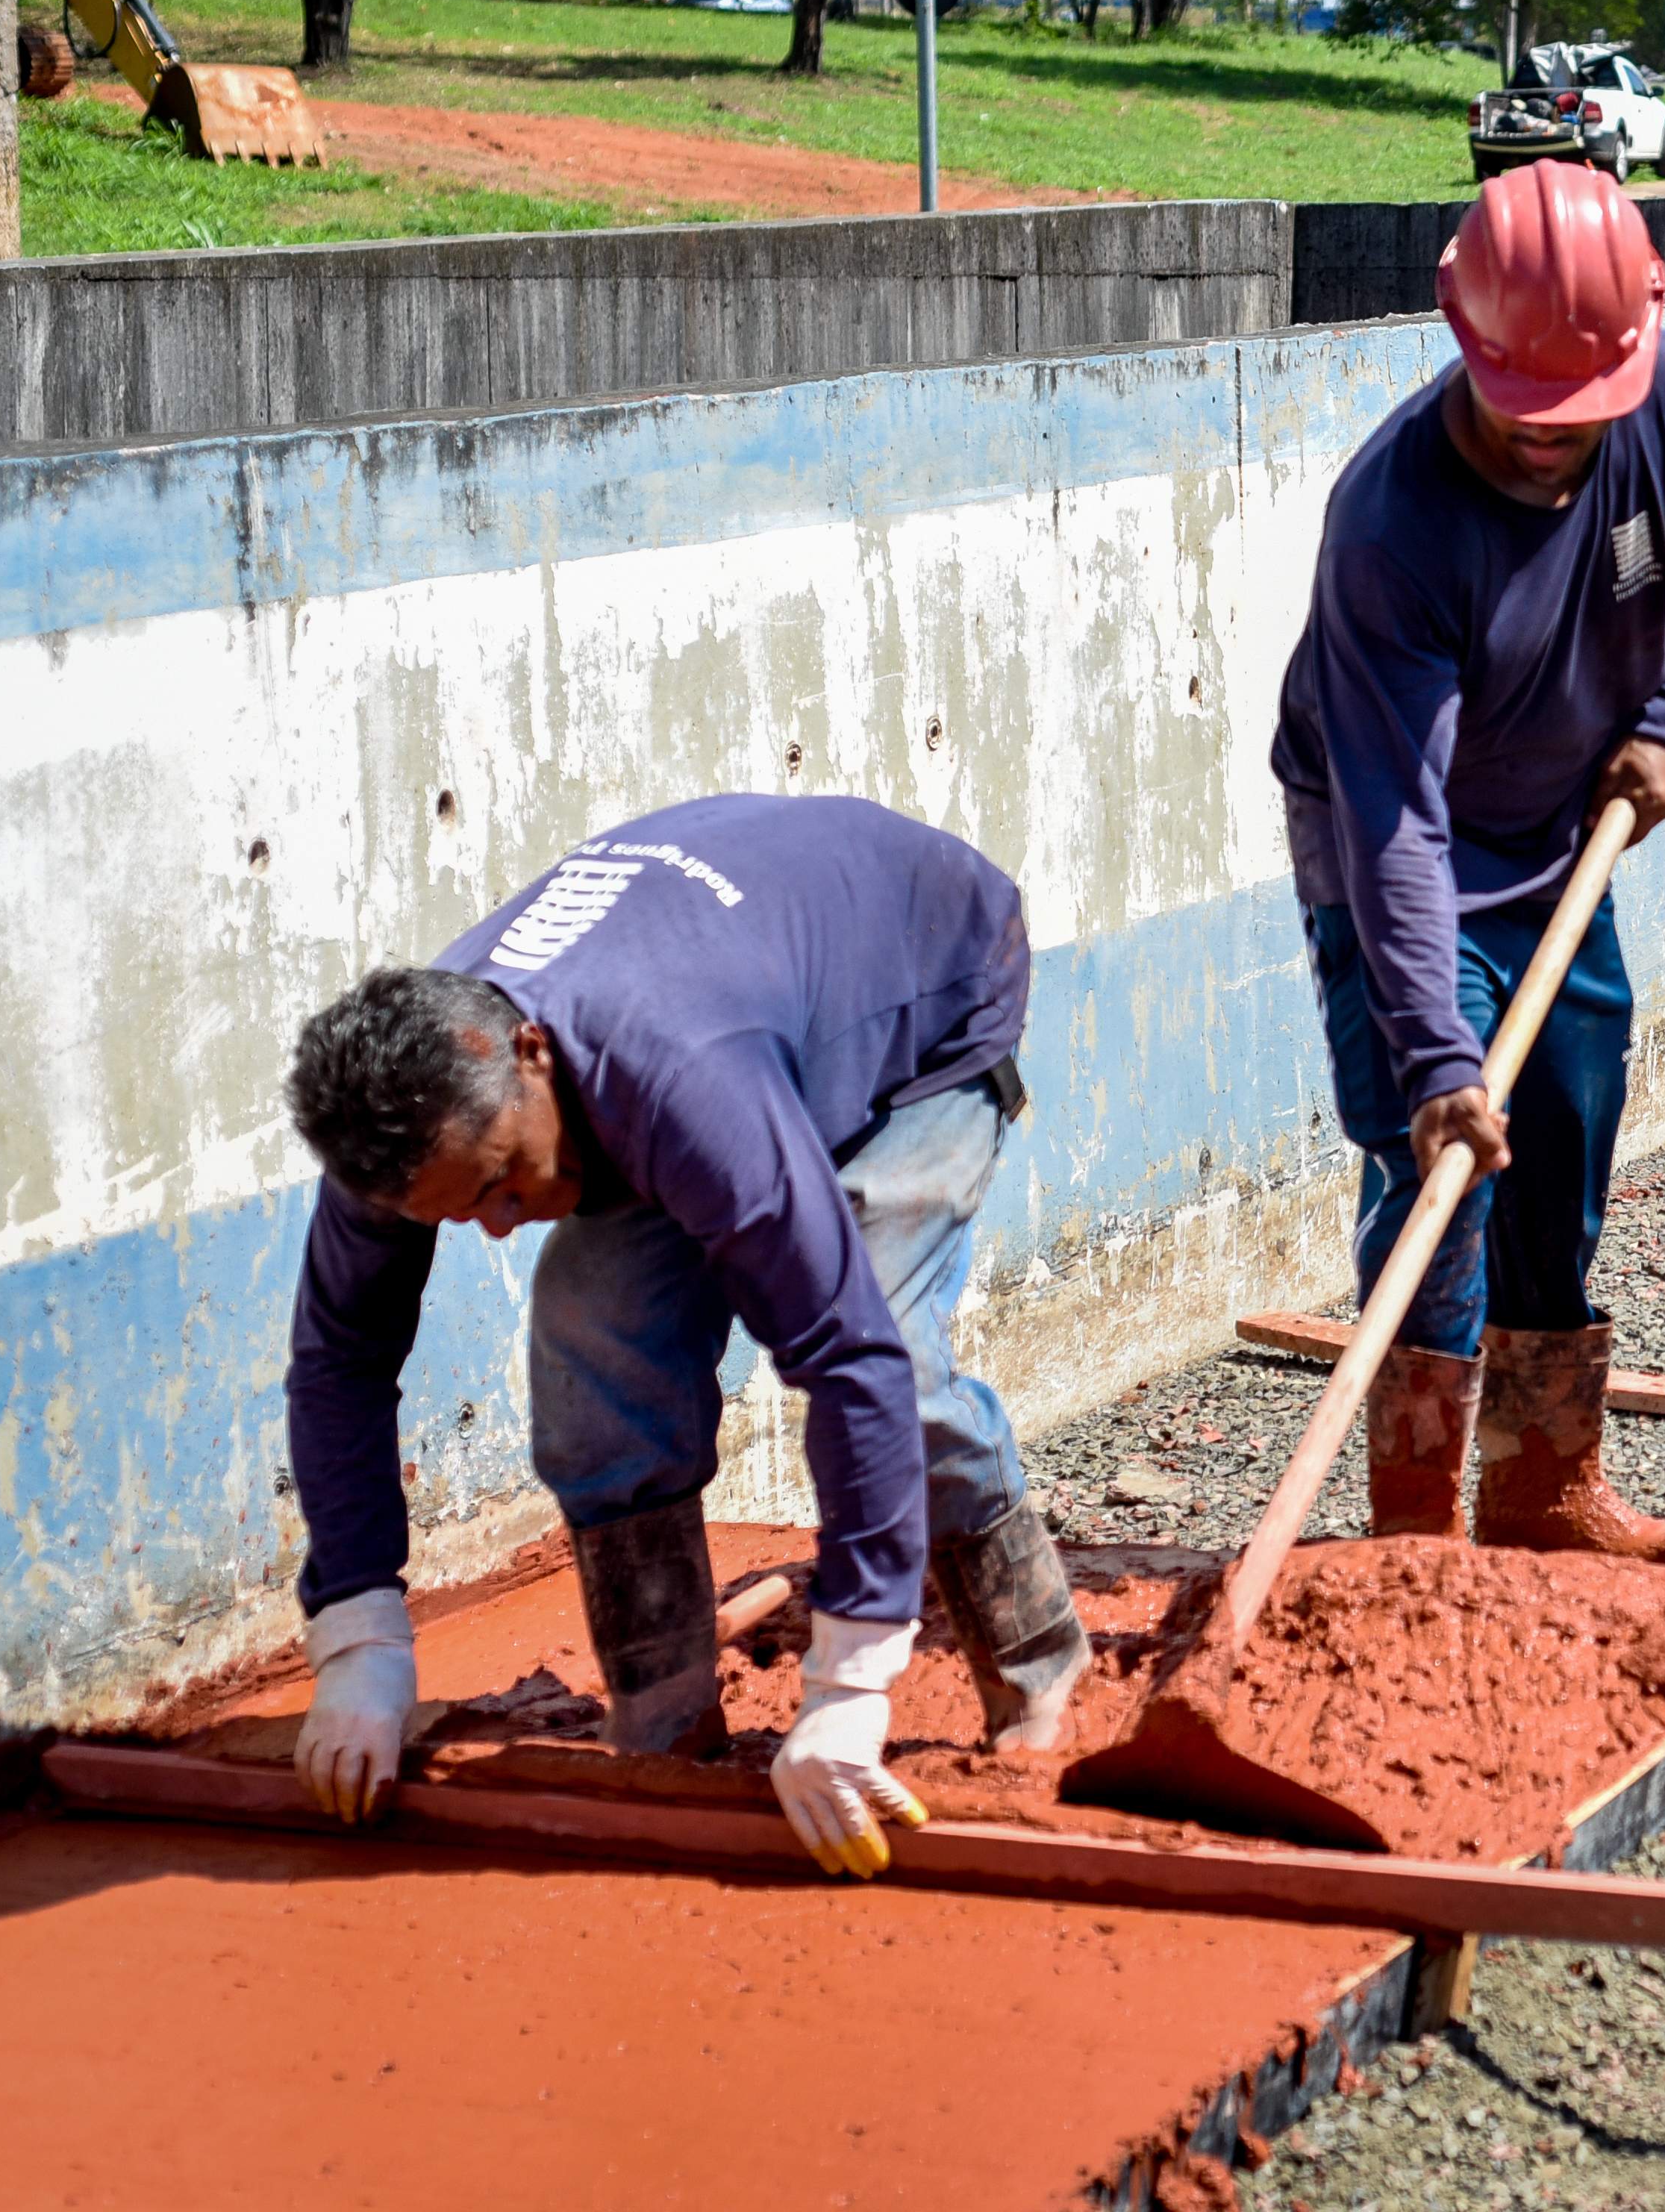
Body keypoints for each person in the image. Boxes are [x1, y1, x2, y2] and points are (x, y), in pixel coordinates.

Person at [277, 796, 1074, 1881]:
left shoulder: (680, 1074)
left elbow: (849, 1359)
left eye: (507, 1182)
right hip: (731, 1006)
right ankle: (665, 1714)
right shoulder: (403, 1113)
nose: (504, 1225)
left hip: (919, 1012)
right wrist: (360, 1639)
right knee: (588, 1334)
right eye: (464, 1215)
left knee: (894, 1343)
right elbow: (340, 1359)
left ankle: (1036, 1667)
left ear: (531, 1054)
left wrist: (847, 1689)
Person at [1274, 158, 1665, 1566]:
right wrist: (1435, 1062)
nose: (1551, 445)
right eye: (1522, 416)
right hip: (1395, 844)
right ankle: (1413, 1542)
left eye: (1577, 419)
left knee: (1569, 1122)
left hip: (1557, 836)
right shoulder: (1390, 528)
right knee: (1440, 1176)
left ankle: (1544, 1492)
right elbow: (1397, 823)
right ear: (1459, 338)